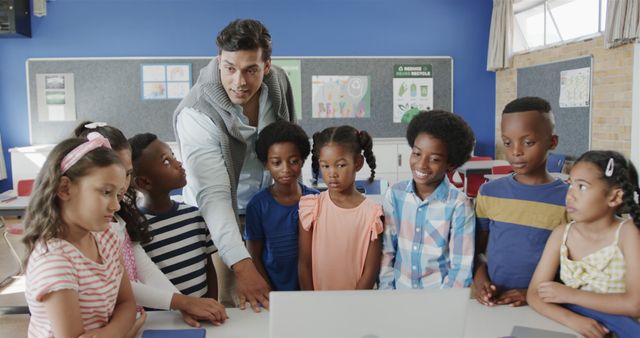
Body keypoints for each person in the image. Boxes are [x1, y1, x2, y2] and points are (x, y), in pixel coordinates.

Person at [173, 18, 294, 310]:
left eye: (251, 70)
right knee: (235, 303)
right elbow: (213, 197)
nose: (239, 81)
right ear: (219, 60)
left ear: (266, 66)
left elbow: (288, 137)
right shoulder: (196, 112)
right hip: (220, 218)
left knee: (280, 296)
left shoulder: (278, 81)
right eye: (229, 68)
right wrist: (241, 265)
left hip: (266, 208)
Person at [74, 122, 227, 327]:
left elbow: (143, 268)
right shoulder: (84, 231)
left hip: (129, 323)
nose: (122, 183)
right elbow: (121, 285)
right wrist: (182, 302)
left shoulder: (117, 219)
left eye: (127, 173)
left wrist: (184, 305)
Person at [23, 133, 137, 338]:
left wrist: (112, 333)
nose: (116, 205)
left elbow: (127, 304)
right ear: (64, 188)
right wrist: (124, 330)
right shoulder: (54, 260)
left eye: (118, 194)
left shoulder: (107, 237)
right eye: (105, 192)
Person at [528, 150, 640, 338]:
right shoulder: (561, 234)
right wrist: (574, 320)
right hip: (574, 329)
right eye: (570, 185)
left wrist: (569, 295)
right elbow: (534, 294)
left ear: (614, 197)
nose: (570, 195)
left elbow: (635, 304)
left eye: (582, 187)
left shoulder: (628, 234)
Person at [473, 96, 569, 307]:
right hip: (495, 303)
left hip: (547, 306)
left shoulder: (570, 200)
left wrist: (532, 293)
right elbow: (477, 251)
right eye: (507, 143)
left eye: (528, 142)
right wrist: (480, 280)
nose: (516, 151)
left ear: (552, 142)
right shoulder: (489, 192)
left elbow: (577, 267)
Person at [379, 110, 476, 289]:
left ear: (451, 163)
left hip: (439, 300)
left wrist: (443, 305)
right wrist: (387, 293)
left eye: (434, 159)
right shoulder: (395, 195)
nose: (422, 164)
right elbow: (387, 252)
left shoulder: (459, 205)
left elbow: (461, 268)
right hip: (399, 295)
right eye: (417, 154)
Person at [128, 133, 221, 305]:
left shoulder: (194, 216)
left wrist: (212, 303)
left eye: (173, 156)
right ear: (144, 182)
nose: (178, 163)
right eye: (166, 161)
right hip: (164, 322)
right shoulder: (135, 227)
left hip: (202, 316)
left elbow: (208, 267)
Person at [298, 125, 383, 290]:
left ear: (357, 163)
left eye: (341, 165)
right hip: (318, 305)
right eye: (325, 166)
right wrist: (311, 303)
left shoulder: (372, 214)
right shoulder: (311, 207)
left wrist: (352, 306)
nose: (332, 173)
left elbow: (370, 272)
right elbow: (304, 265)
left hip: (357, 307)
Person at [243, 120, 318, 291]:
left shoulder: (315, 200)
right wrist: (268, 292)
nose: (286, 169)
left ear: (302, 160)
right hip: (272, 292)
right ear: (266, 164)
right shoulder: (257, 206)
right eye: (277, 162)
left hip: (312, 290)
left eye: (293, 161)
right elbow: (254, 255)